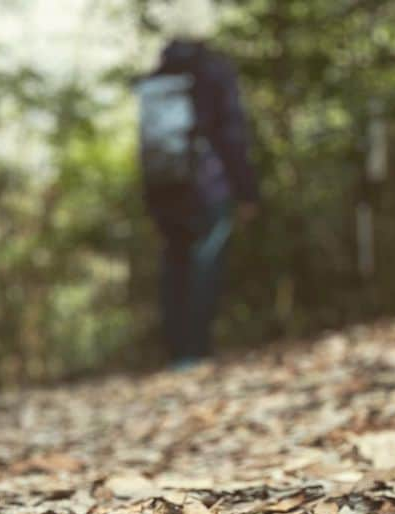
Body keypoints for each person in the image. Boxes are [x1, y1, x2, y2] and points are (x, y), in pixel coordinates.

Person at [137, 0, 259, 368]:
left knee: (174, 264)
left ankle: (177, 352)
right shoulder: (213, 71)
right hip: (208, 186)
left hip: (164, 186)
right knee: (204, 264)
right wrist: (246, 190)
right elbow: (231, 134)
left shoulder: (159, 73)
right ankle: (195, 351)